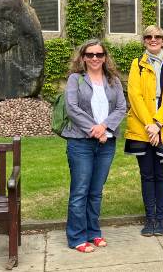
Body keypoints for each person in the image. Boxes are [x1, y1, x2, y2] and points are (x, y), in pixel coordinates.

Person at [62, 39, 126, 253]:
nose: (95, 58)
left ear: (105, 57)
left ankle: (93, 233)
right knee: (80, 191)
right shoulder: (75, 79)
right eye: (90, 54)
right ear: (83, 58)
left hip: (106, 143)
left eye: (99, 54)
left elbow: (120, 107)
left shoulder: (113, 80)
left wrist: (104, 127)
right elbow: (72, 108)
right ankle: (77, 237)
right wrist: (95, 129)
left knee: (96, 191)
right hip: (81, 142)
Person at [124, 25, 163, 237]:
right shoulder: (136, 65)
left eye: (157, 36)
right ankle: (150, 218)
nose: (153, 39)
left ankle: (161, 219)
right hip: (142, 128)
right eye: (149, 36)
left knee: (162, 174)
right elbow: (135, 96)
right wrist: (149, 125)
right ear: (144, 40)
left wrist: (158, 123)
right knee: (147, 175)